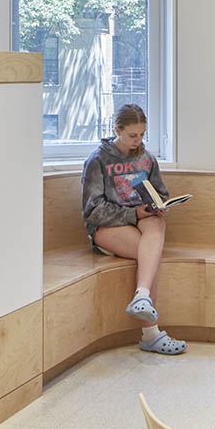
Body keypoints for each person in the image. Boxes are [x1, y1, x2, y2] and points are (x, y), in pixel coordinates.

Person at [81, 103, 186, 355]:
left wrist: (158, 206)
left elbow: (160, 192)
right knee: (152, 253)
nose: (138, 140)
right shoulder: (98, 160)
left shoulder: (146, 158)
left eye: (142, 134)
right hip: (107, 228)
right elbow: (92, 210)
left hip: (141, 223)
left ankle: (142, 296)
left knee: (156, 223)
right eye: (132, 135)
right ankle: (150, 333)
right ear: (117, 129)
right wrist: (133, 213)